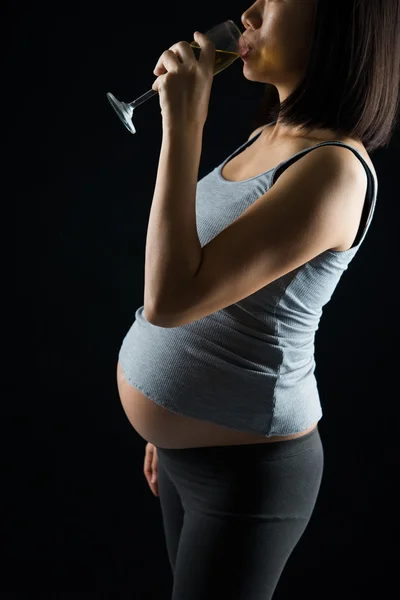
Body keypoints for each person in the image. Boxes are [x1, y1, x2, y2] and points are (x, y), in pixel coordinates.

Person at [116, 1, 400, 598]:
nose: (247, 12)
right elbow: (213, 298)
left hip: (247, 475)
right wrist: (166, 431)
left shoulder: (335, 172)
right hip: (186, 455)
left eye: (273, 1)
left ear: (336, 26)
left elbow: (169, 298)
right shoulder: (266, 137)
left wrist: (184, 125)